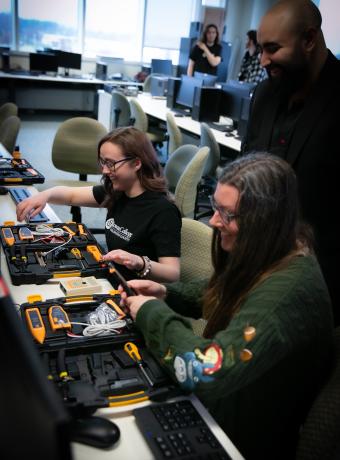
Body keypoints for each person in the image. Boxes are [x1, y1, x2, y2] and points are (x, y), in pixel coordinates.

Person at [120, 154, 333, 460]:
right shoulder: (275, 247)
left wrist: (151, 312)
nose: (214, 221)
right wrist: (166, 293)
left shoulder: (286, 291)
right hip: (235, 406)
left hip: (246, 437)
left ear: (263, 220)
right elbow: (222, 292)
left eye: (226, 213)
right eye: (215, 206)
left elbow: (207, 371)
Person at [241, 0, 340, 325]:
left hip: (318, 279)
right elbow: (246, 170)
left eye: (273, 49)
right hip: (257, 266)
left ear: (309, 39)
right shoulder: (265, 94)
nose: (263, 59)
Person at [16, 127, 181, 282]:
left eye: (111, 163)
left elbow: (172, 273)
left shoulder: (163, 211)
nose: (105, 171)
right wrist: (45, 195)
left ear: (137, 163)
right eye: (103, 162)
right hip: (112, 278)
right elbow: (71, 195)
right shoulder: (119, 191)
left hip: (136, 293)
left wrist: (139, 262)